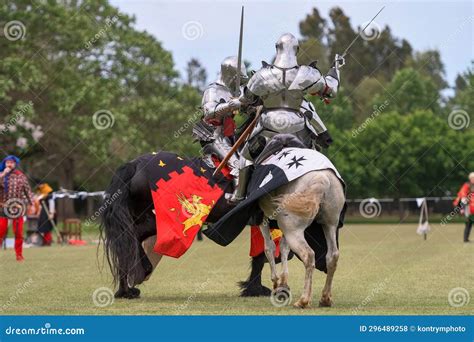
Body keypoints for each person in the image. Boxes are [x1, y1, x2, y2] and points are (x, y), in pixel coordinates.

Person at [232, 33, 342, 200]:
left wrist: (239, 93)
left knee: (245, 157)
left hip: (268, 128)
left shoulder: (262, 75)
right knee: (315, 156)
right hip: (298, 129)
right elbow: (331, 90)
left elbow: (245, 100)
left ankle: (239, 196)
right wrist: (335, 70)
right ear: (296, 50)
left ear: (277, 49)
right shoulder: (308, 73)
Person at [192, 56, 249, 201]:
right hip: (214, 136)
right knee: (238, 165)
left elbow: (244, 109)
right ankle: (236, 198)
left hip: (230, 136)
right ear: (230, 74)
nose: (238, 82)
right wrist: (230, 105)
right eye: (237, 78)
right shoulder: (213, 90)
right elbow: (209, 111)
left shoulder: (231, 92)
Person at [0, 155, 34, 261]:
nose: (9, 164)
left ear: (15, 164)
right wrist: (4, 174)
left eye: (11, 162)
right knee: (1, 231)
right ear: (5, 164)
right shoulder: (1, 175)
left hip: (17, 207)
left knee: (18, 232)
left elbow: (27, 191)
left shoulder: (21, 176)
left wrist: (31, 203)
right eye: (7, 162)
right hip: (2, 207)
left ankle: (19, 255)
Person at [453, 172, 474, 243]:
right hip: (468, 207)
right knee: (469, 223)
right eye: (473, 178)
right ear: (470, 178)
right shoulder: (466, 185)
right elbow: (462, 196)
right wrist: (462, 208)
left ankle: (466, 239)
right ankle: (465, 239)